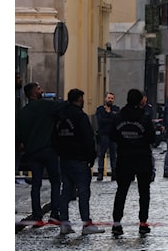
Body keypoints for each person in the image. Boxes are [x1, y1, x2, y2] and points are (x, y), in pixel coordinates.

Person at [54, 88, 105, 235]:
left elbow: (55, 137)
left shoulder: (61, 117)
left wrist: (60, 152)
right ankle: (86, 223)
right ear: (79, 100)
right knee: (83, 192)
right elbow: (88, 138)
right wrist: (91, 157)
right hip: (79, 160)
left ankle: (64, 222)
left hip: (64, 159)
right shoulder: (80, 116)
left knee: (66, 191)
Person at [16, 82, 65, 226]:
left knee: (36, 183)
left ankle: (37, 215)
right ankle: (55, 213)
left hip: (32, 152)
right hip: (48, 149)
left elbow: (19, 137)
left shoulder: (23, 112)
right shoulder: (45, 105)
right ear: (33, 93)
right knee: (55, 181)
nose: (41, 90)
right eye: (38, 88)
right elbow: (62, 108)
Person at [110, 88, 156, 235]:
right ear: (140, 100)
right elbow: (152, 139)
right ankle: (143, 223)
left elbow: (112, 136)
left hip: (124, 157)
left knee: (121, 191)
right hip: (142, 158)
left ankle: (117, 224)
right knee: (144, 192)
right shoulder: (145, 117)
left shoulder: (118, 117)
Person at [95, 92, 120, 181]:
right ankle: (100, 172)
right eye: (109, 98)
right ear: (105, 99)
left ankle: (114, 173)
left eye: (112, 98)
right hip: (103, 135)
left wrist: (108, 116)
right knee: (101, 154)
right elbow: (100, 121)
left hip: (113, 136)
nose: (110, 100)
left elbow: (117, 120)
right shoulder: (100, 109)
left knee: (114, 155)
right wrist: (111, 117)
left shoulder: (116, 109)